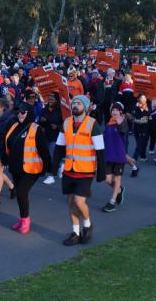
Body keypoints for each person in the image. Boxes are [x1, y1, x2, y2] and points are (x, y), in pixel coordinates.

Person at [54, 95, 106, 246]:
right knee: (70, 202)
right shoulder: (66, 123)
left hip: (85, 170)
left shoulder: (92, 124)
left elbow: (100, 150)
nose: (75, 105)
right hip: (69, 169)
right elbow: (59, 146)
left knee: (78, 201)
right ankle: (75, 233)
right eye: (73, 103)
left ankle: (88, 225)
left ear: (86, 107)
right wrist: (53, 168)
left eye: (78, 103)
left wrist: (101, 173)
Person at [3, 102, 49, 233]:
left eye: (23, 112)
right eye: (18, 112)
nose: (20, 114)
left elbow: (44, 150)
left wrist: (47, 168)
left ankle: (26, 220)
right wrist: (4, 157)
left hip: (31, 169)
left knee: (22, 192)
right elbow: (7, 143)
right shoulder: (14, 126)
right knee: (19, 194)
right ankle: (22, 219)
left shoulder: (36, 128)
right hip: (16, 168)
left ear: (29, 113)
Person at [101, 103, 130, 213]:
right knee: (107, 179)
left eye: (117, 110)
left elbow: (123, 131)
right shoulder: (108, 123)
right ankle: (119, 189)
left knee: (117, 178)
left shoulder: (123, 122)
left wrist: (119, 124)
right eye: (113, 110)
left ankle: (112, 202)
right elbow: (105, 137)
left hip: (119, 156)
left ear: (120, 112)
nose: (114, 112)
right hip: (108, 155)